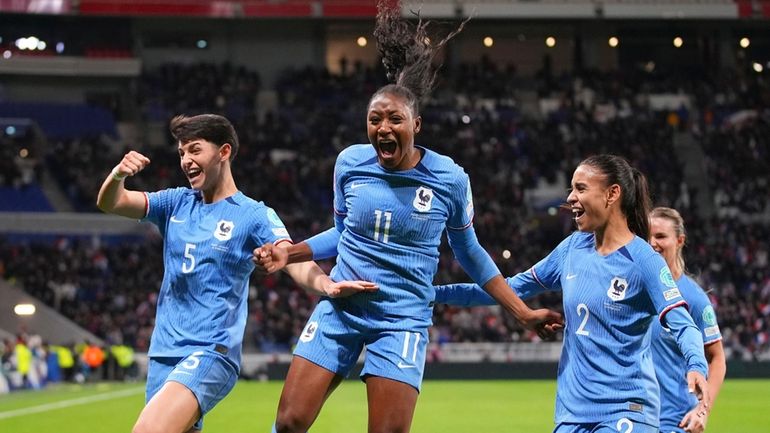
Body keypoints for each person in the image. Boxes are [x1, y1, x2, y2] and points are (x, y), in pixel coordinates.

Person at [252, 4, 562, 433]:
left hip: (402, 318)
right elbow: (343, 234)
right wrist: (291, 252)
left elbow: (470, 252)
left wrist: (522, 312)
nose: (383, 127)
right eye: (374, 119)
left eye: (394, 119)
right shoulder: (350, 164)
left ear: (416, 124)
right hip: (341, 307)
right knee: (288, 422)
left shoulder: (449, 178)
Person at [96, 114, 375, 433]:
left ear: (223, 152)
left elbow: (290, 256)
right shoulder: (175, 203)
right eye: (182, 153)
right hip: (163, 356)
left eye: (195, 150)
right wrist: (118, 174)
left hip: (210, 351)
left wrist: (327, 285)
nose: (186, 160)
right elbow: (111, 202)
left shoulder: (253, 215)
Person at [434, 155, 710, 433]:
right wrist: (433, 294)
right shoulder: (572, 249)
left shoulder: (644, 260)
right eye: (571, 189)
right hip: (571, 414)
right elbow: (507, 289)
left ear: (612, 194)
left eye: (581, 188)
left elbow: (682, 321)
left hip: (625, 411)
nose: (571, 198)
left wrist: (696, 364)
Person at [648, 207, 725, 433]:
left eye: (661, 236)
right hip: (631, 419)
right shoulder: (631, 290)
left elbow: (717, 358)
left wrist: (703, 410)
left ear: (680, 240)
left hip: (674, 422)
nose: (652, 243)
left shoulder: (693, 299)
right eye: (647, 236)